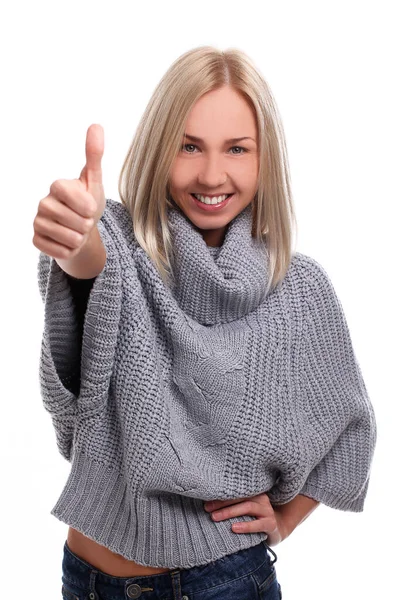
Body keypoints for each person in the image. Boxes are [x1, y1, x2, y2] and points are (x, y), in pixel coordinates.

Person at [33, 46, 377, 600]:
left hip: (224, 581)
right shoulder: (119, 241)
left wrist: (286, 519)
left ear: (264, 160)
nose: (212, 173)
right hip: (90, 580)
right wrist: (74, 240)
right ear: (158, 147)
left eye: (237, 149)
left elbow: (348, 428)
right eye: (189, 146)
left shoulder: (299, 289)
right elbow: (92, 265)